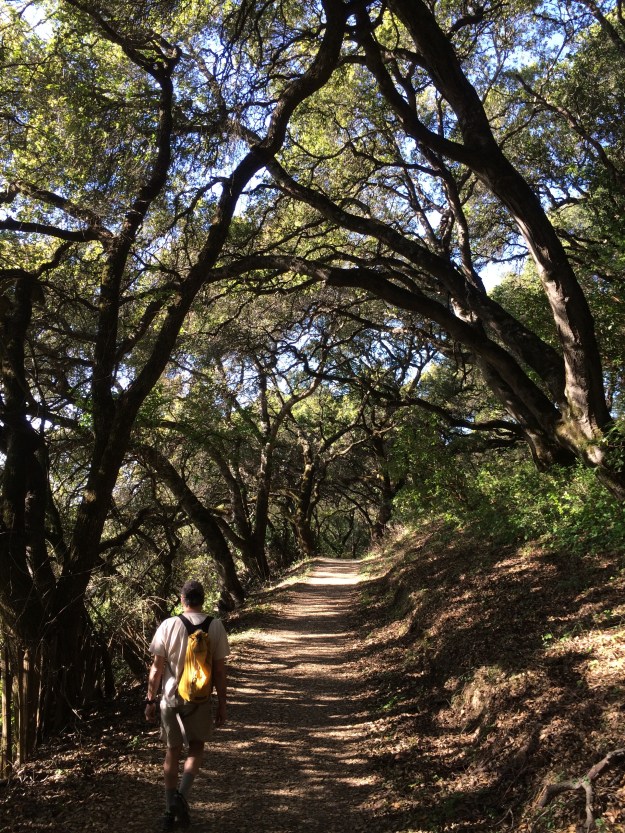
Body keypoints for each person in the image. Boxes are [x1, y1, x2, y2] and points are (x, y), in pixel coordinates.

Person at [145, 580, 230, 831]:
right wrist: (222, 704)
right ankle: (182, 797)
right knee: (196, 748)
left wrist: (150, 699)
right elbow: (220, 671)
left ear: (183, 600)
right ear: (202, 599)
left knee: (173, 751)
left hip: (171, 698)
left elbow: (157, 668)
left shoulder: (168, 625)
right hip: (200, 699)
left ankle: (169, 810)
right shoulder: (215, 626)